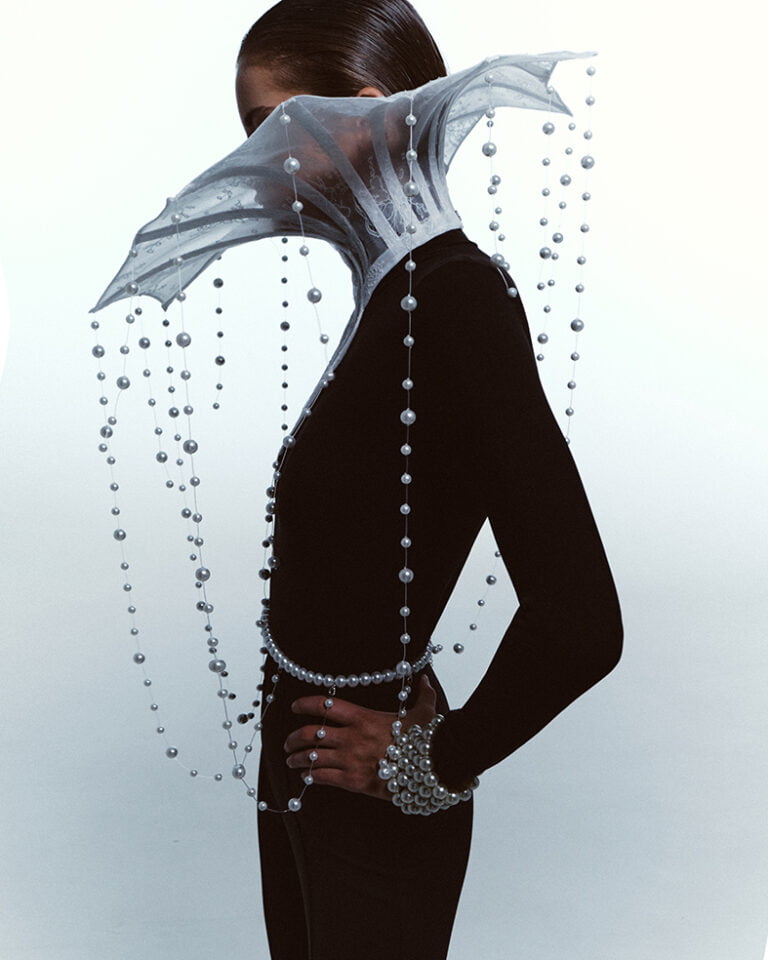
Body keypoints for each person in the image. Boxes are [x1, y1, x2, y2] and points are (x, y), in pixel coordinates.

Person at [231, 2, 624, 958]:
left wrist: (431, 762)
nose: (255, 168)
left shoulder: (454, 300)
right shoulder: (390, 298)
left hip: (376, 811)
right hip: (301, 784)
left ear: (365, 113)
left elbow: (582, 619)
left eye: (274, 131)